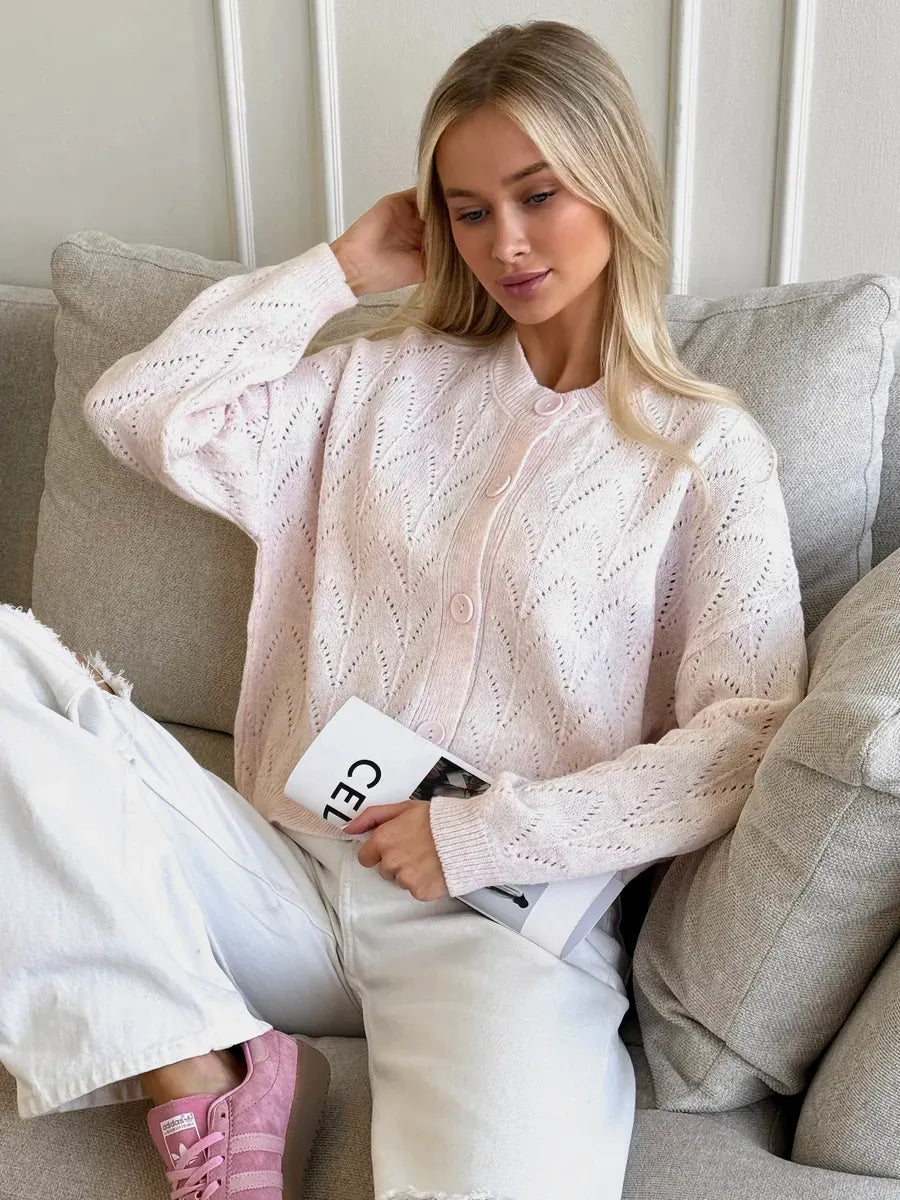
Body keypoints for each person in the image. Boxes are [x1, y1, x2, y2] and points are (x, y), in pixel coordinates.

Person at [0, 18, 809, 1200]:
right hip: (275, 878)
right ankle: (207, 1070)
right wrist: (339, 270)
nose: (507, 241)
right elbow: (141, 410)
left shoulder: (704, 454)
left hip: (494, 927)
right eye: (469, 210)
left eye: (539, 195)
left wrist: (480, 834)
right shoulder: (381, 379)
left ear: (617, 187)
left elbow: (742, 741)